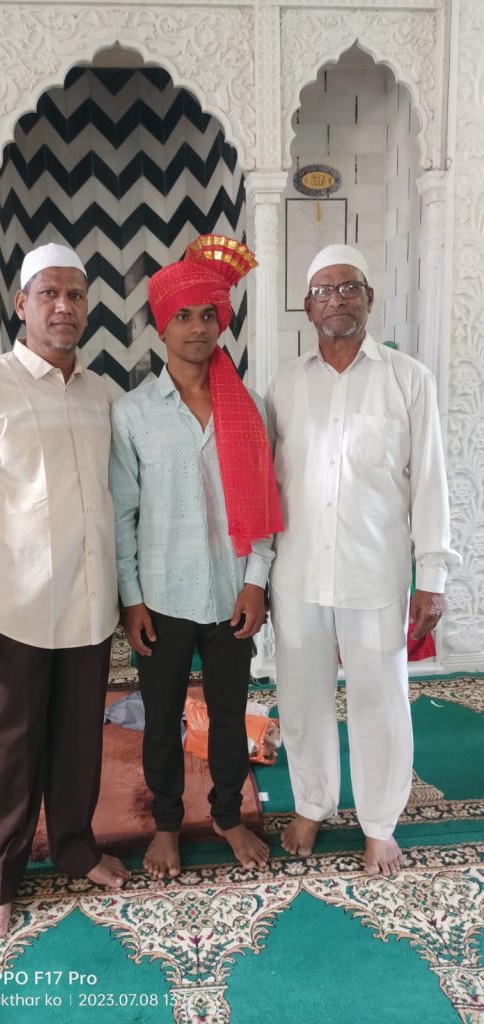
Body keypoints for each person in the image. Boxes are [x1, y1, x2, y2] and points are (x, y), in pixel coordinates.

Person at [0, 242, 129, 940]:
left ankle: (75, 848)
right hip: (12, 610)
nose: (63, 306)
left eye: (74, 294)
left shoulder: (104, 396)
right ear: (22, 304)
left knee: (78, 745)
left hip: (87, 605)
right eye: (49, 293)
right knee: (11, 752)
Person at [266, 243, 459, 876]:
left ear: (369, 298)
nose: (337, 300)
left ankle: (379, 822)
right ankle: (312, 804)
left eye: (349, 287)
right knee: (302, 699)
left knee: (381, 699)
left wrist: (431, 576)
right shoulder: (285, 384)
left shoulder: (409, 379)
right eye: (324, 290)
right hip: (297, 574)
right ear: (307, 307)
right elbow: (268, 486)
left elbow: (429, 483)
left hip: (375, 571)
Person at [109, 235, 283, 880]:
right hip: (162, 596)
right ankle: (165, 825)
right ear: (161, 326)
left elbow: (264, 501)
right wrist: (132, 599)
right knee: (161, 719)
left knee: (231, 715)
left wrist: (256, 581)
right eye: (183, 315)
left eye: (208, 314)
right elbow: (122, 514)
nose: (198, 328)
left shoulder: (249, 406)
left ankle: (228, 817)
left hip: (232, 592)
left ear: (221, 321)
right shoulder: (132, 414)